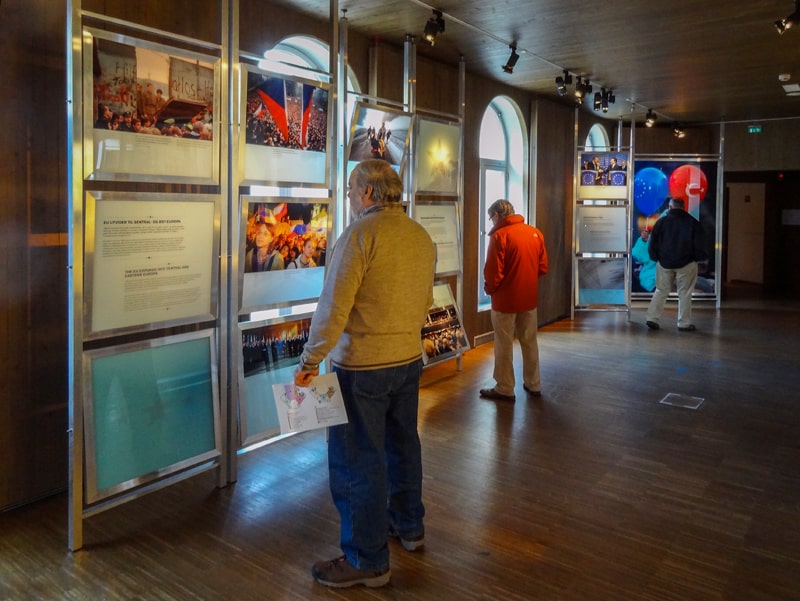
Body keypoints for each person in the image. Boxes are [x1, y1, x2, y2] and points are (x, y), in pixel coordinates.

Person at [294, 159, 435, 589]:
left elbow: (332, 309)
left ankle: (366, 558)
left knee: (358, 460)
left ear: (368, 193)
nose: (352, 197)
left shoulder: (358, 236)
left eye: (353, 189)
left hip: (361, 367)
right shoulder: (418, 235)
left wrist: (309, 361)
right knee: (402, 446)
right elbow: (425, 300)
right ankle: (409, 527)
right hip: (407, 361)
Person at [480, 199, 548, 401]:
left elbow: (493, 274)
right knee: (529, 341)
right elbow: (543, 267)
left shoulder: (499, 236)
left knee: (504, 344)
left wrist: (489, 289)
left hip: (504, 302)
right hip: (528, 299)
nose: (491, 222)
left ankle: (505, 387)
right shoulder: (534, 233)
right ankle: (533, 383)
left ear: (497, 215)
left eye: (491, 217)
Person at [645, 197, 707, 331]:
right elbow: (700, 245)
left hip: (664, 263)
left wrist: (656, 258)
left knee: (661, 290)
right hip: (686, 263)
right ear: (683, 208)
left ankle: (652, 318)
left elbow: (652, 243)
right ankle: (683, 323)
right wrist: (695, 258)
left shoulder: (661, 222)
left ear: (670, 207)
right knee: (684, 293)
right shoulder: (692, 222)